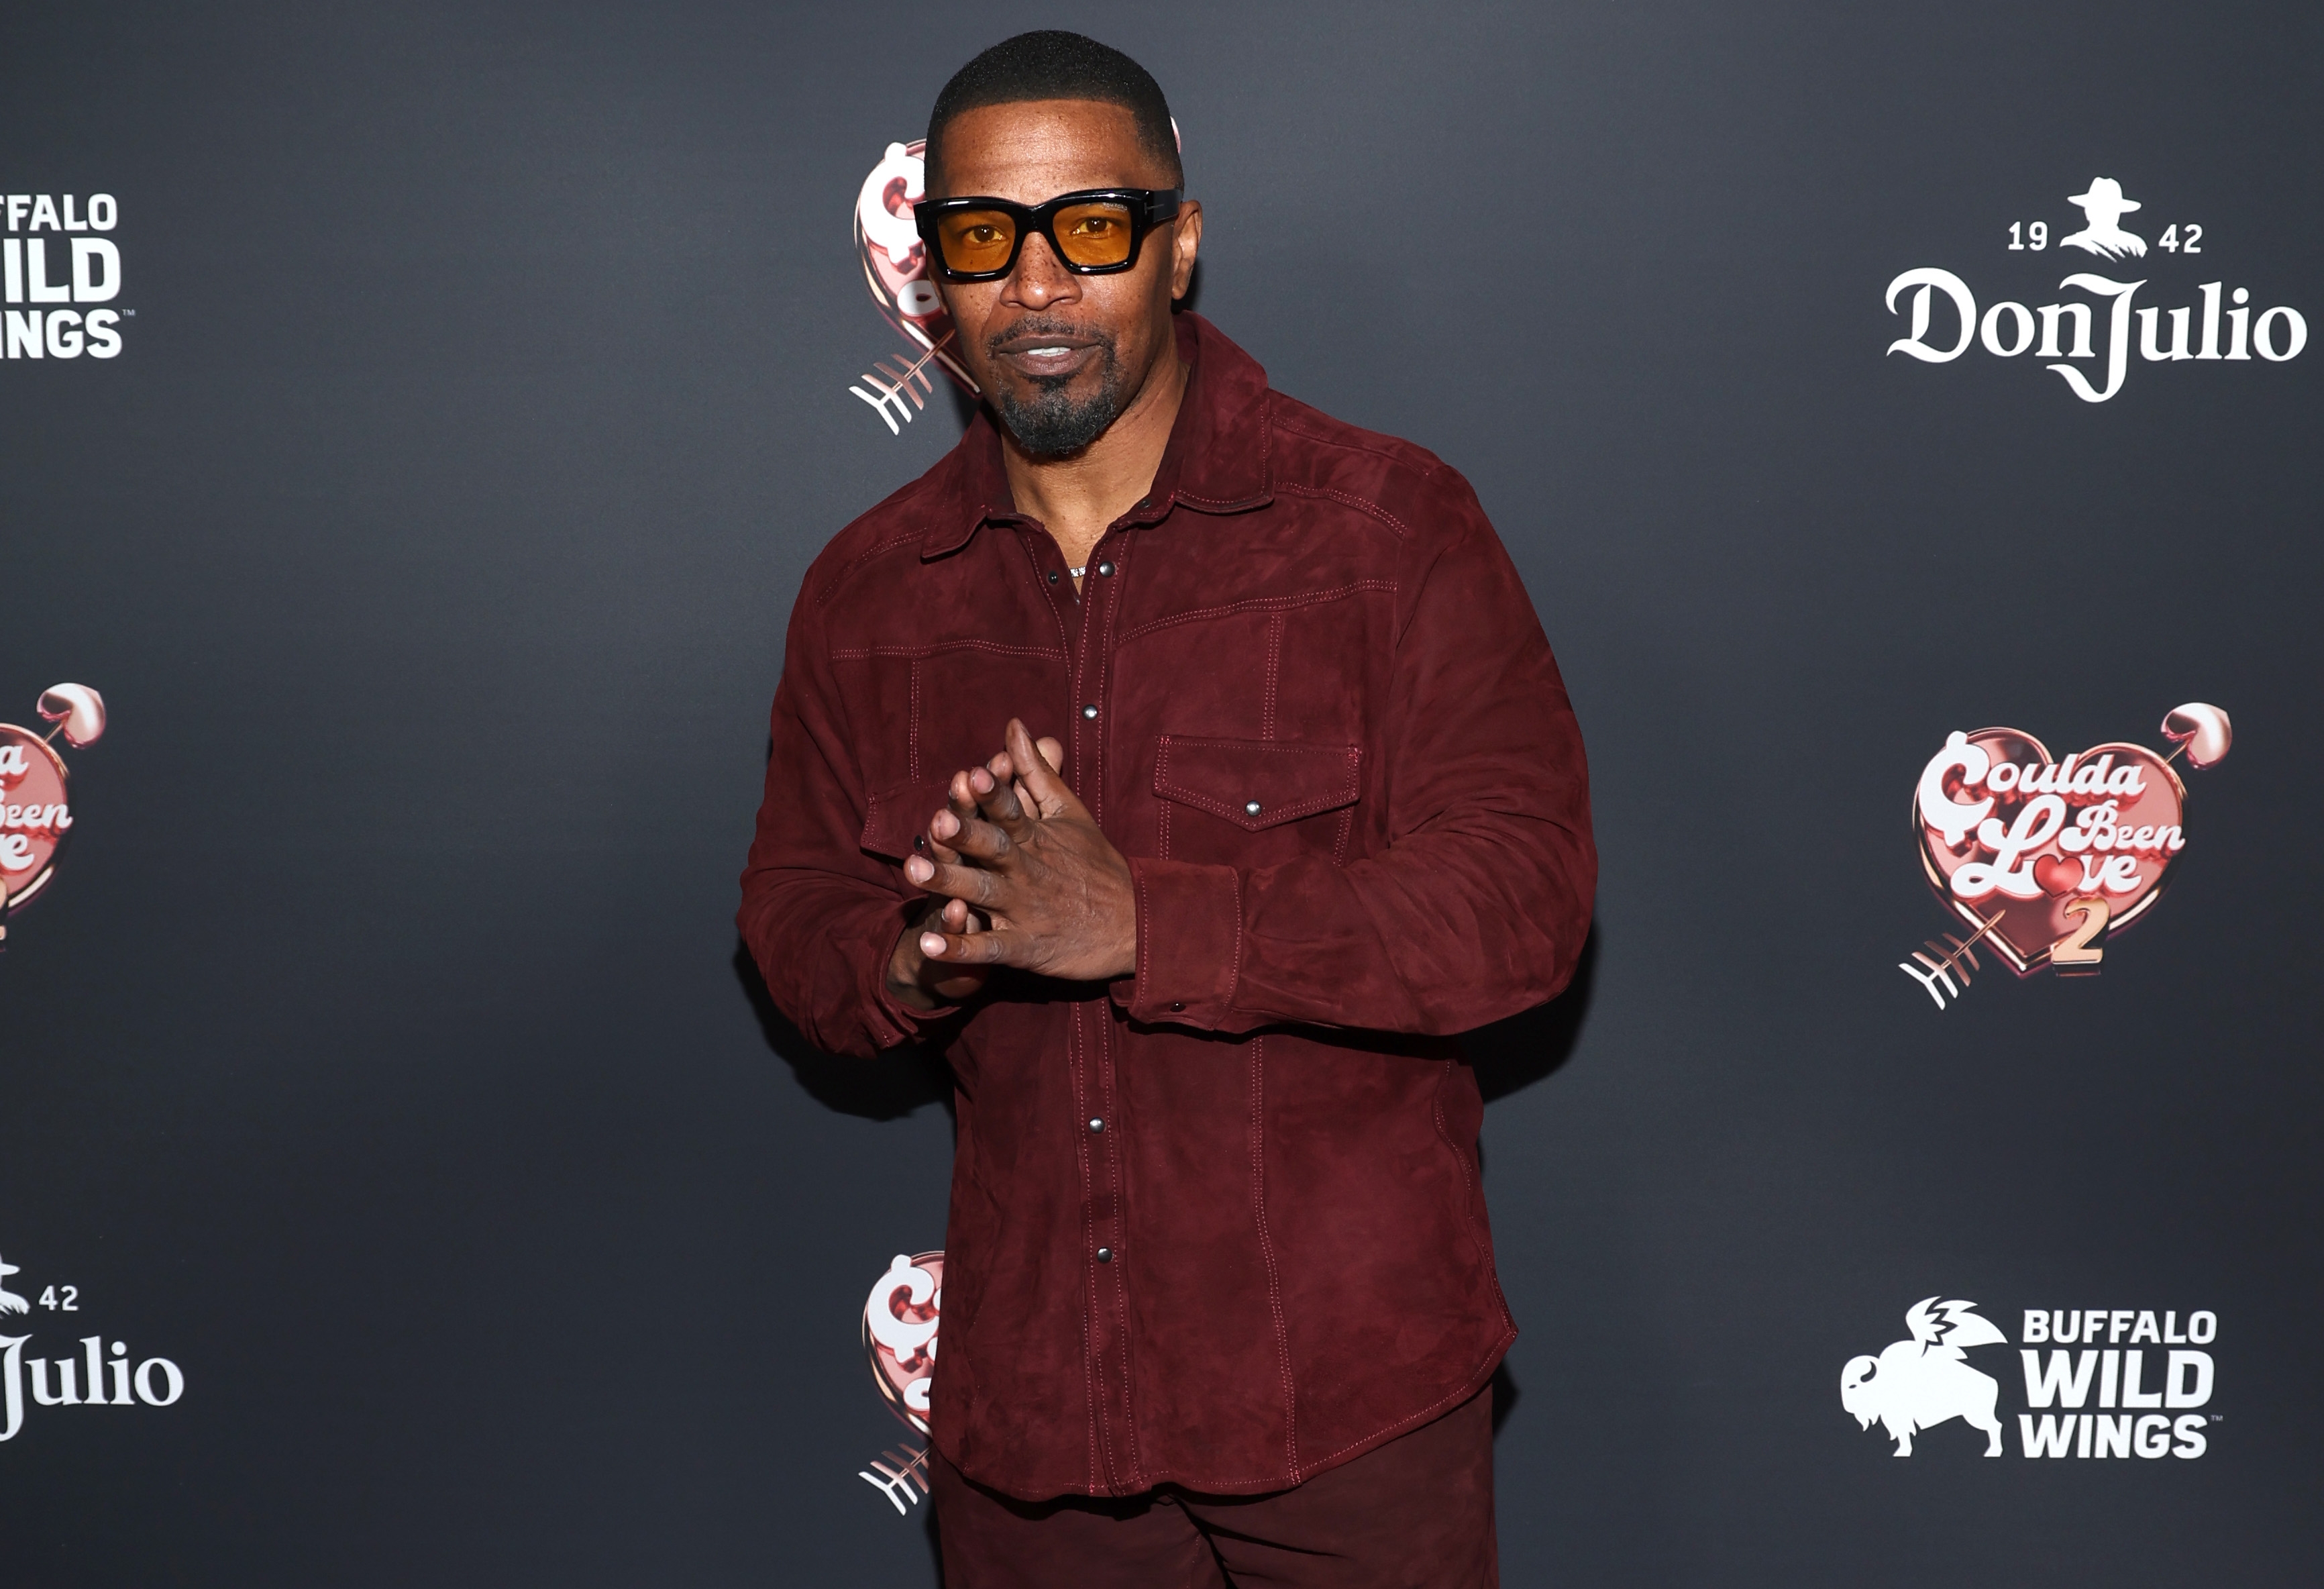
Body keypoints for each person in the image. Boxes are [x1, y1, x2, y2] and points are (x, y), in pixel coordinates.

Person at [739, 30, 1593, 1588]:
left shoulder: (1386, 527)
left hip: (1349, 1408)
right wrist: (909, 964)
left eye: (1094, 227)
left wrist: (1146, 919)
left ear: (1179, 241)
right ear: (934, 271)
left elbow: (1521, 904)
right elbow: (793, 919)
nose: (1039, 285)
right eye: (986, 238)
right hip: (1032, 1434)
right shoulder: (866, 592)